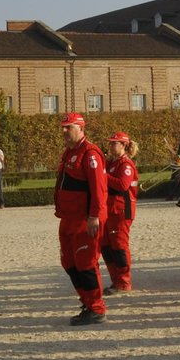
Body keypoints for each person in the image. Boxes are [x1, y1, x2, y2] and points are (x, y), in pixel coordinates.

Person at [54, 111, 108, 325]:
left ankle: (96, 307)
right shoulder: (69, 152)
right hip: (68, 218)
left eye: (69, 128)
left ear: (81, 129)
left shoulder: (90, 153)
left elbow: (98, 189)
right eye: (63, 128)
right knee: (69, 262)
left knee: (86, 263)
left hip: (84, 219)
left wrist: (94, 216)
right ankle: (87, 300)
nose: (65, 132)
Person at [101, 131, 139, 294]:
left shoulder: (126, 164)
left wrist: (103, 176)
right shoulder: (112, 163)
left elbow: (122, 185)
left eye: (113, 143)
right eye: (110, 143)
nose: (110, 146)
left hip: (121, 210)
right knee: (107, 247)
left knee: (119, 247)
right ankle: (116, 280)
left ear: (123, 145)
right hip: (110, 209)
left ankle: (124, 282)